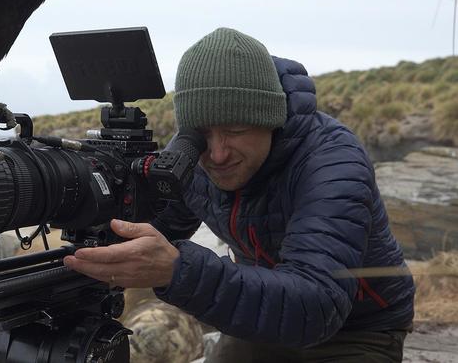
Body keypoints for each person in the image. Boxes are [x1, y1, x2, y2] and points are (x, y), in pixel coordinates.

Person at [63, 27, 415, 362]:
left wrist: (176, 271)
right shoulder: (192, 156)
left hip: (359, 325)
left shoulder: (331, 160)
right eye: (203, 135)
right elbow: (155, 228)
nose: (217, 154)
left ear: (270, 120)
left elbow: (318, 306)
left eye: (236, 130)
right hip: (264, 309)